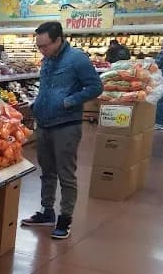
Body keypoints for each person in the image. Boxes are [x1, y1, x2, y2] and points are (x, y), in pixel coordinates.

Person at [21, 21, 103, 240]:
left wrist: (70, 101)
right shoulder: (47, 59)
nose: (42, 51)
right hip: (45, 123)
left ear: (58, 40)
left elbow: (96, 87)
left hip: (66, 125)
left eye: (45, 46)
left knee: (66, 174)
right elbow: (47, 88)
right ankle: (47, 212)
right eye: (38, 46)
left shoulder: (77, 59)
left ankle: (65, 219)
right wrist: (36, 104)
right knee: (47, 172)